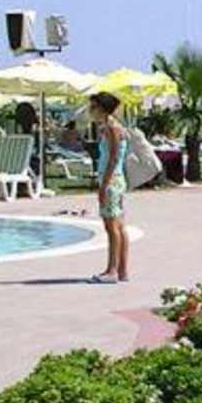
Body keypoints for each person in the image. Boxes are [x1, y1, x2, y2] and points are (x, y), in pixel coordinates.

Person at [89, 91, 131, 283]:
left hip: (112, 180)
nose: (91, 111)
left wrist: (104, 185)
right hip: (117, 179)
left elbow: (113, 158)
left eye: (94, 107)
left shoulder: (112, 128)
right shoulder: (112, 127)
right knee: (119, 225)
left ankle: (112, 270)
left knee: (111, 226)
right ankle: (122, 270)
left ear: (103, 108)